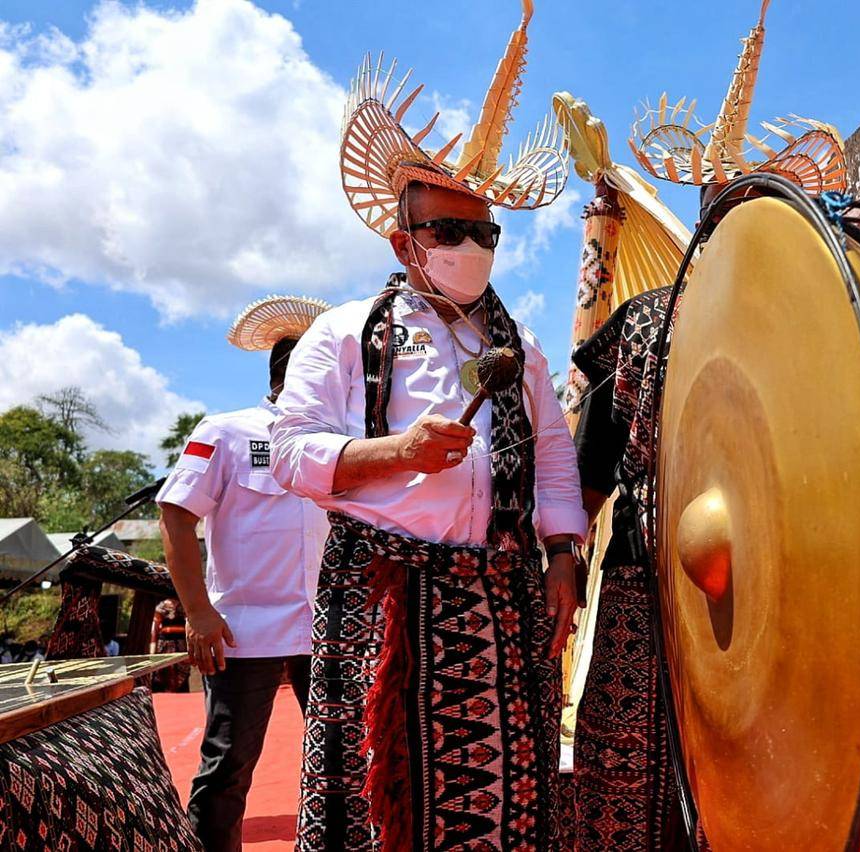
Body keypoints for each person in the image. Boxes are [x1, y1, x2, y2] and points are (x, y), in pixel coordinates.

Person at [271, 7, 586, 849]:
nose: (470, 246)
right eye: (449, 230)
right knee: (376, 799)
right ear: (402, 241)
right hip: (382, 589)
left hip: (501, 589)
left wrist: (562, 553)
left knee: (509, 795)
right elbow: (290, 452)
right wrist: (395, 452)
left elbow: (553, 453)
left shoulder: (520, 346)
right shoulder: (344, 331)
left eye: (484, 232)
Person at [567, 4, 850, 848]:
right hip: (646, 571)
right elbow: (592, 469)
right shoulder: (643, 324)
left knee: (772, 759)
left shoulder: (809, 321)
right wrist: (563, 564)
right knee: (634, 760)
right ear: (701, 216)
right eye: (723, 207)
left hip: (787, 575)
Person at [157, 294, 331, 852]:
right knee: (228, 768)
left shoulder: (341, 444)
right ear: (291, 374)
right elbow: (176, 515)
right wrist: (198, 612)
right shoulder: (225, 431)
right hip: (244, 632)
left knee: (343, 764)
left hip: (330, 631)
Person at [151, 597, 191, 692]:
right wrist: (152, 652)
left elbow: (189, 625)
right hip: (164, 646)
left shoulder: (184, 605)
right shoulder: (161, 607)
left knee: (182, 676)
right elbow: (154, 630)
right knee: (162, 674)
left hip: (181, 646)